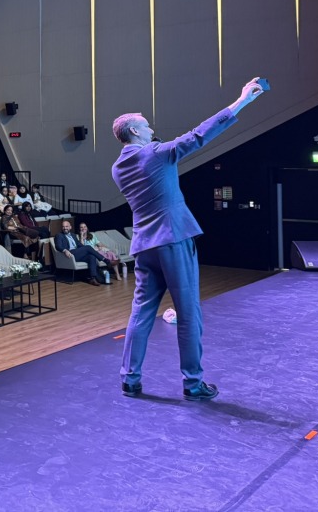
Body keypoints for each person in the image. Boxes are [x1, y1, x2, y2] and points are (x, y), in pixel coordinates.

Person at [113, 77, 267, 402]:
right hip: (172, 239)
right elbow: (198, 135)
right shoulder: (155, 154)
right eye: (146, 125)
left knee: (141, 313)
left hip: (144, 246)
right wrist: (242, 101)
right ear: (135, 132)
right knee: (188, 313)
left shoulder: (118, 167)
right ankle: (193, 383)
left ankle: (129, 379)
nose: (151, 128)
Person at [55, 219, 109, 286]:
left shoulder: (73, 235)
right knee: (88, 247)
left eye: (66, 226)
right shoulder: (59, 235)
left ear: (70, 227)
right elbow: (58, 246)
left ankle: (93, 278)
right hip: (70, 254)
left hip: (77, 254)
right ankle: (105, 260)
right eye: (63, 226)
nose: (65, 228)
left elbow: (79, 245)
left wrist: (86, 249)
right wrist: (65, 250)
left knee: (91, 256)